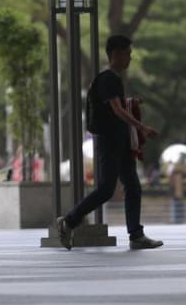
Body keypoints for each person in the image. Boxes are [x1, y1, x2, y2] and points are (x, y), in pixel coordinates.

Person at [56, 35, 164, 250]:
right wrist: (142, 127)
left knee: (132, 186)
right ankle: (68, 221)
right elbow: (117, 110)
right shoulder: (108, 79)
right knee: (106, 189)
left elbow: (116, 107)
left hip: (120, 141)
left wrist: (131, 103)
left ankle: (136, 235)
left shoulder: (113, 79)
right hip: (110, 141)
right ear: (116, 54)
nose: (130, 58)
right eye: (128, 54)